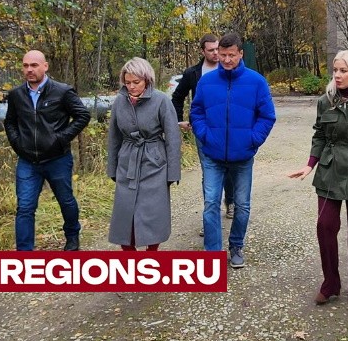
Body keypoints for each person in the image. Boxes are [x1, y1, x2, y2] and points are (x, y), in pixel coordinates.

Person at [289, 50, 348, 305]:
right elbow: (320, 135)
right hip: (329, 172)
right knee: (325, 226)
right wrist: (310, 165)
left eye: (343, 70)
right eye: (335, 70)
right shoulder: (326, 100)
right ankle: (330, 282)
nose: (338, 75)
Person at [190, 32, 276, 268]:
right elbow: (196, 112)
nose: (226, 60)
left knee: (242, 204)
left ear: (240, 54)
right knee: (210, 203)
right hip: (212, 155)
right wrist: (205, 135)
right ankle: (212, 252)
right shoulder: (206, 82)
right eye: (222, 54)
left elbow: (267, 116)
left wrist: (252, 139)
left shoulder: (256, 81)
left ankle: (236, 246)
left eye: (231, 55)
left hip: (242, 156)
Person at [4, 50, 91, 251]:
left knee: (66, 200)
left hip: (57, 159)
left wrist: (60, 138)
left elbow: (82, 116)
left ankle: (72, 235)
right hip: (28, 161)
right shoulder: (16, 95)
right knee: (25, 207)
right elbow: (10, 122)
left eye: (34, 65)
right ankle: (24, 251)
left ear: (45, 66)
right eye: (26, 65)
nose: (29, 70)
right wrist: (18, 143)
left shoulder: (62, 91)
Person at [107, 58, 182, 250]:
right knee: (125, 216)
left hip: (154, 163)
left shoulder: (161, 100)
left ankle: (152, 256)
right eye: (127, 82)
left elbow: (173, 137)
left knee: (152, 214)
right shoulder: (119, 102)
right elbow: (114, 137)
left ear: (147, 80)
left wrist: (173, 172)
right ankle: (130, 261)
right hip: (127, 161)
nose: (131, 86)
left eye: (136, 82)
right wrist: (113, 168)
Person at [171, 34, 235, 225]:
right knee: (209, 171)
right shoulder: (193, 73)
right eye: (211, 50)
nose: (216, 53)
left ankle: (230, 201)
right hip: (202, 130)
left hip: (228, 129)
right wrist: (179, 120)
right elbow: (177, 96)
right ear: (202, 51)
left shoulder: (230, 67)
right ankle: (210, 216)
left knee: (230, 168)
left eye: (217, 49)